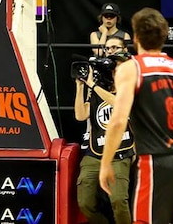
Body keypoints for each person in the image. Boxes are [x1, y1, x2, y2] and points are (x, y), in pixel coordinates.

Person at [99, 8, 173, 224]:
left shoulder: (132, 68)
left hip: (153, 160)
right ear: (164, 36)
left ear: (136, 38)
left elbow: (119, 120)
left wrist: (105, 162)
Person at [74, 38, 133, 224]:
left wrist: (93, 85)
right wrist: (81, 86)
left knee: (118, 200)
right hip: (96, 149)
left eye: (114, 48)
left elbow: (119, 104)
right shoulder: (99, 82)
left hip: (120, 150)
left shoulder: (131, 81)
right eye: (107, 48)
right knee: (84, 202)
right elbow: (81, 115)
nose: (110, 52)